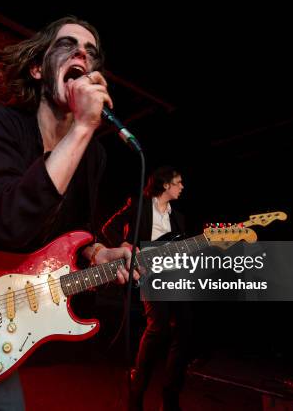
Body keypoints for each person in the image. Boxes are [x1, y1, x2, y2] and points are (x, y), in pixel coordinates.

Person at [0, 16, 139, 411]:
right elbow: (10, 222)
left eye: (90, 53)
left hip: (26, 299)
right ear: (38, 68)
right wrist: (83, 128)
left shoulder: (94, 155)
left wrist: (98, 253)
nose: (81, 55)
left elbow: (77, 228)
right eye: (67, 45)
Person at [102, 166, 191, 411]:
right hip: (148, 274)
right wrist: (127, 246)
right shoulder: (139, 204)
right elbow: (108, 228)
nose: (182, 186)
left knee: (185, 329)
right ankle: (137, 385)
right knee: (158, 327)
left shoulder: (178, 218)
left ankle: (171, 395)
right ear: (165, 184)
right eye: (179, 182)